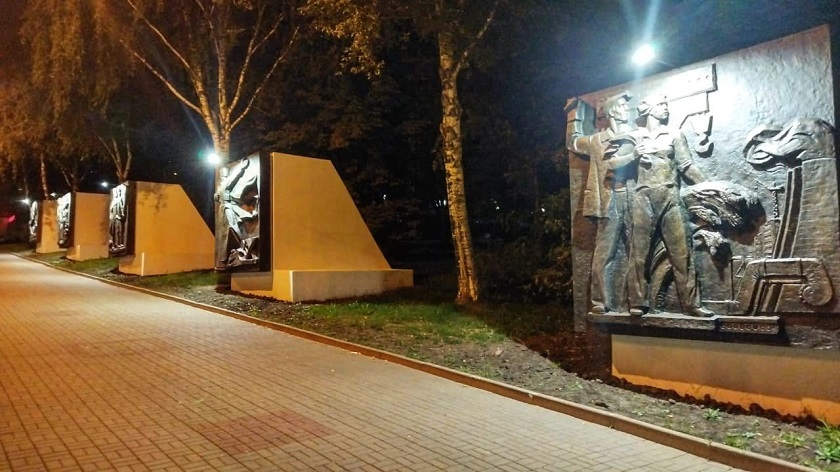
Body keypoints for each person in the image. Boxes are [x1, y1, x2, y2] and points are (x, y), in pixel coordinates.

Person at [626, 94, 714, 317]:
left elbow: (687, 166)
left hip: (669, 194)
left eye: (666, 104)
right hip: (643, 196)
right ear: (649, 109)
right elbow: (613, 166)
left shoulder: (675, 134)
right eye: (661, 104)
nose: (666, 108)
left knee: (682, 252)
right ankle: (637, 302)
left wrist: (709, 186)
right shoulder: (635, 137)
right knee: (639, 253)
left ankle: (691, 304)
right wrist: (633, 155)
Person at [566, 91, 638, 314]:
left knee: (638, 250)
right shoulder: (597, 140)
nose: (627, 109)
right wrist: (573, 114)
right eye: (622, 106)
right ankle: (599, 301)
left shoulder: (637, 136)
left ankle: (637, 302)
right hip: (608, 201)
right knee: (605, 252)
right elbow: (572, 142)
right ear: (612, 112)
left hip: (633, 198)